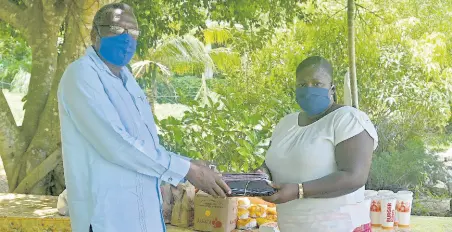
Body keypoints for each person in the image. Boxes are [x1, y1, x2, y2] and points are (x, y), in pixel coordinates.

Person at [57, 3, 230, 232]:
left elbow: (144, 146)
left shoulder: (127, 79)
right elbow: (117, 146)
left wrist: (189, 163)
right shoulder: (81, 75)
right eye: (117, 30)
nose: (127, 38)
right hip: (106, 219)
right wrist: (187, 169)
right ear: (95, 34)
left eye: (133, 32)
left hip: (143, 218)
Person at [260, 56, 378, 232]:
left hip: (340, 226)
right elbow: (273, 163)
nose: (309, 89)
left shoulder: (348, 119)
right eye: (302, 84)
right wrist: (262, 174)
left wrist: (299, 190)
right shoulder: (286, 123)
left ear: (332, 88)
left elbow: (355, 176)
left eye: (317, 83)